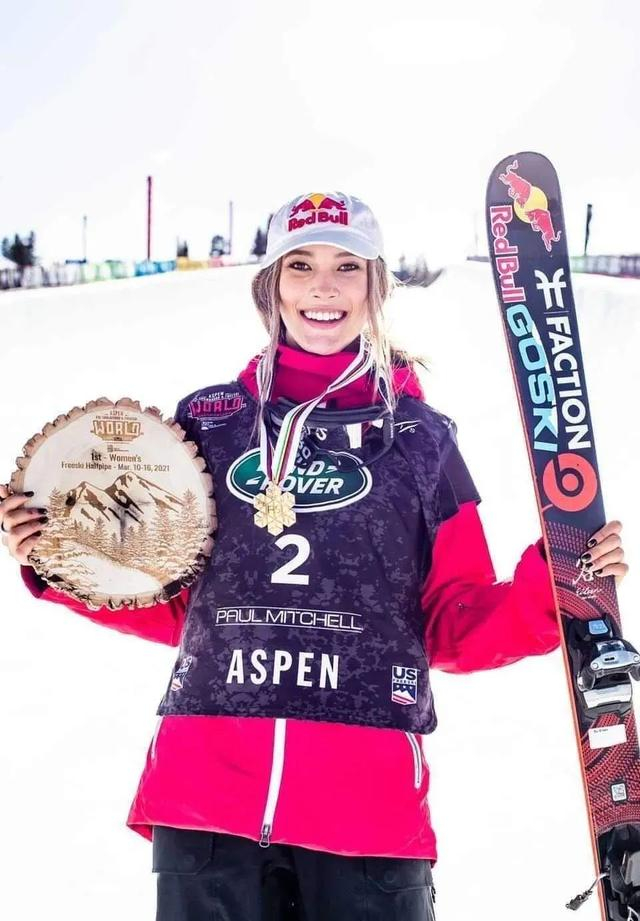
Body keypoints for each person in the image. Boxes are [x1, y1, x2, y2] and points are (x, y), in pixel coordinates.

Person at [0, 190, 629, 921]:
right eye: (300, 266)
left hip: (366, 810)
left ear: (376, 286)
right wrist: (62, 560)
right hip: (206, 803)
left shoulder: (422, 442)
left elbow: (452, 622)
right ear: (270, 286)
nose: (322, 287)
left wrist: (550, 586)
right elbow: (176, 601)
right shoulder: (209, 425)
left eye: (346, 266)